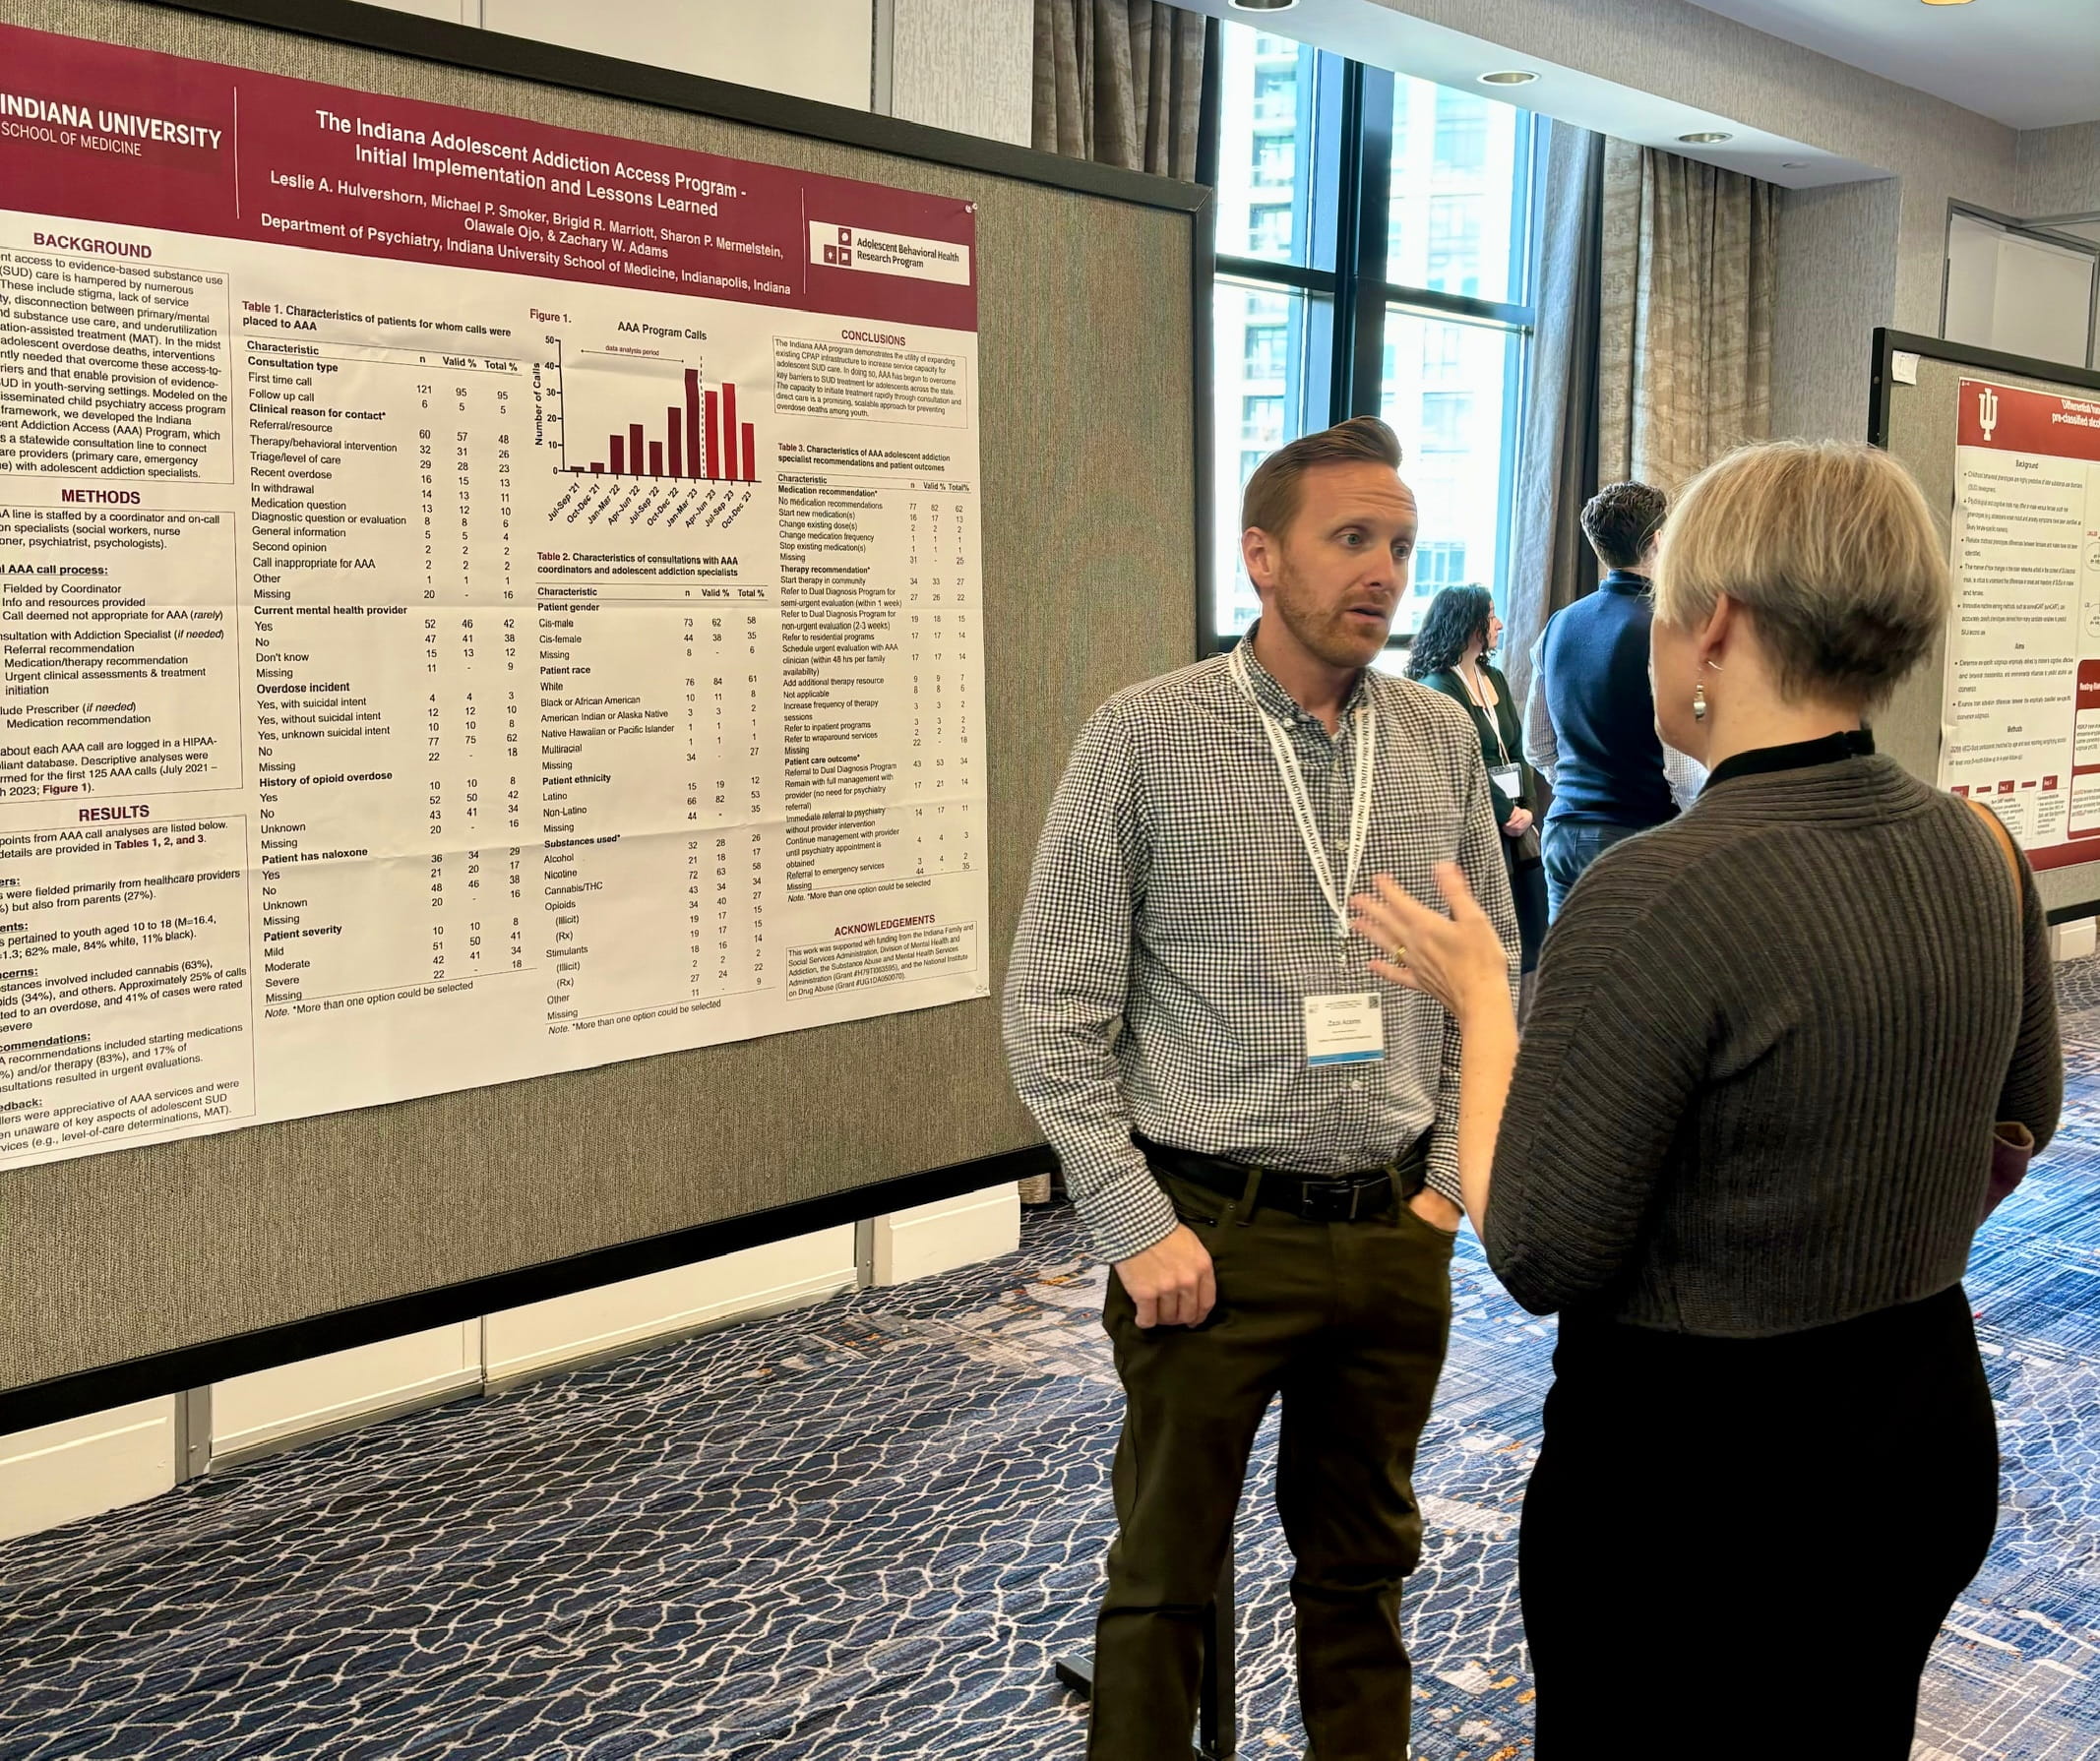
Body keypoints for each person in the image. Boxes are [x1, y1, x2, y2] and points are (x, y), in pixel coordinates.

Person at [1350, 439, 2064, 1758]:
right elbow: (2025, 1114)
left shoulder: (1654, 891)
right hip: (1918, 1428)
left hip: (1694, 1487)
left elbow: (1540, 1251)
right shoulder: (1981, 846)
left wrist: (1485, 1003)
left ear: (1715, 626)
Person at [1005, 415, 1518, 1760]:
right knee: (1163, 1576)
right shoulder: (1144, 735)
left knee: (1364, 1572)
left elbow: (1490, 970)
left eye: (1400, 543)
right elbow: (1051, 1009)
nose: (1384, 570)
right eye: (1350, 538)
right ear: (1261, 556)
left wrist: (1444, 1194)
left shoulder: (1436, 738)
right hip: (1205, 1237)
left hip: (1391, 1228)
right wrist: (1134, 1223)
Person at [1522, 479, 1680, 917]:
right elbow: (1680, 764)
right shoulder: (1664, 626)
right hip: (1638, 832)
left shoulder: (1558, 625)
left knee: (1568, 958)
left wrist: (1580, 788)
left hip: (1563, 830)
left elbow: (1537, 744)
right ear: (1658, 540)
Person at [1407, 584, 1548, 983]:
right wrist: (1506, 811)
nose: (1499, 624)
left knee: (1522, 933)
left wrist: (1528, 807)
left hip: (1513, 821)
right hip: (1476, 823)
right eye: (1490, 616)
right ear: (1469, 625)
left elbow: (1516, 749)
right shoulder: (1439, 686)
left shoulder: (1494, 677)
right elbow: (1465, 763)